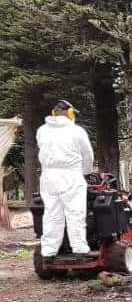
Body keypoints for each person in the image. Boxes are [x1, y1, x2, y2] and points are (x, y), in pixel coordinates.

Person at [37, 100, 94, 258]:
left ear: (54, 113)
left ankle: (48, 252)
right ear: (69, 113)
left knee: (51, 214)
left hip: (48, 177)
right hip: (71, 175)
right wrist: (85, 172)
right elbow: (88, 155)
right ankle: (79, 249)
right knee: (75, 213)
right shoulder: (77, 131)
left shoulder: (42, 131)